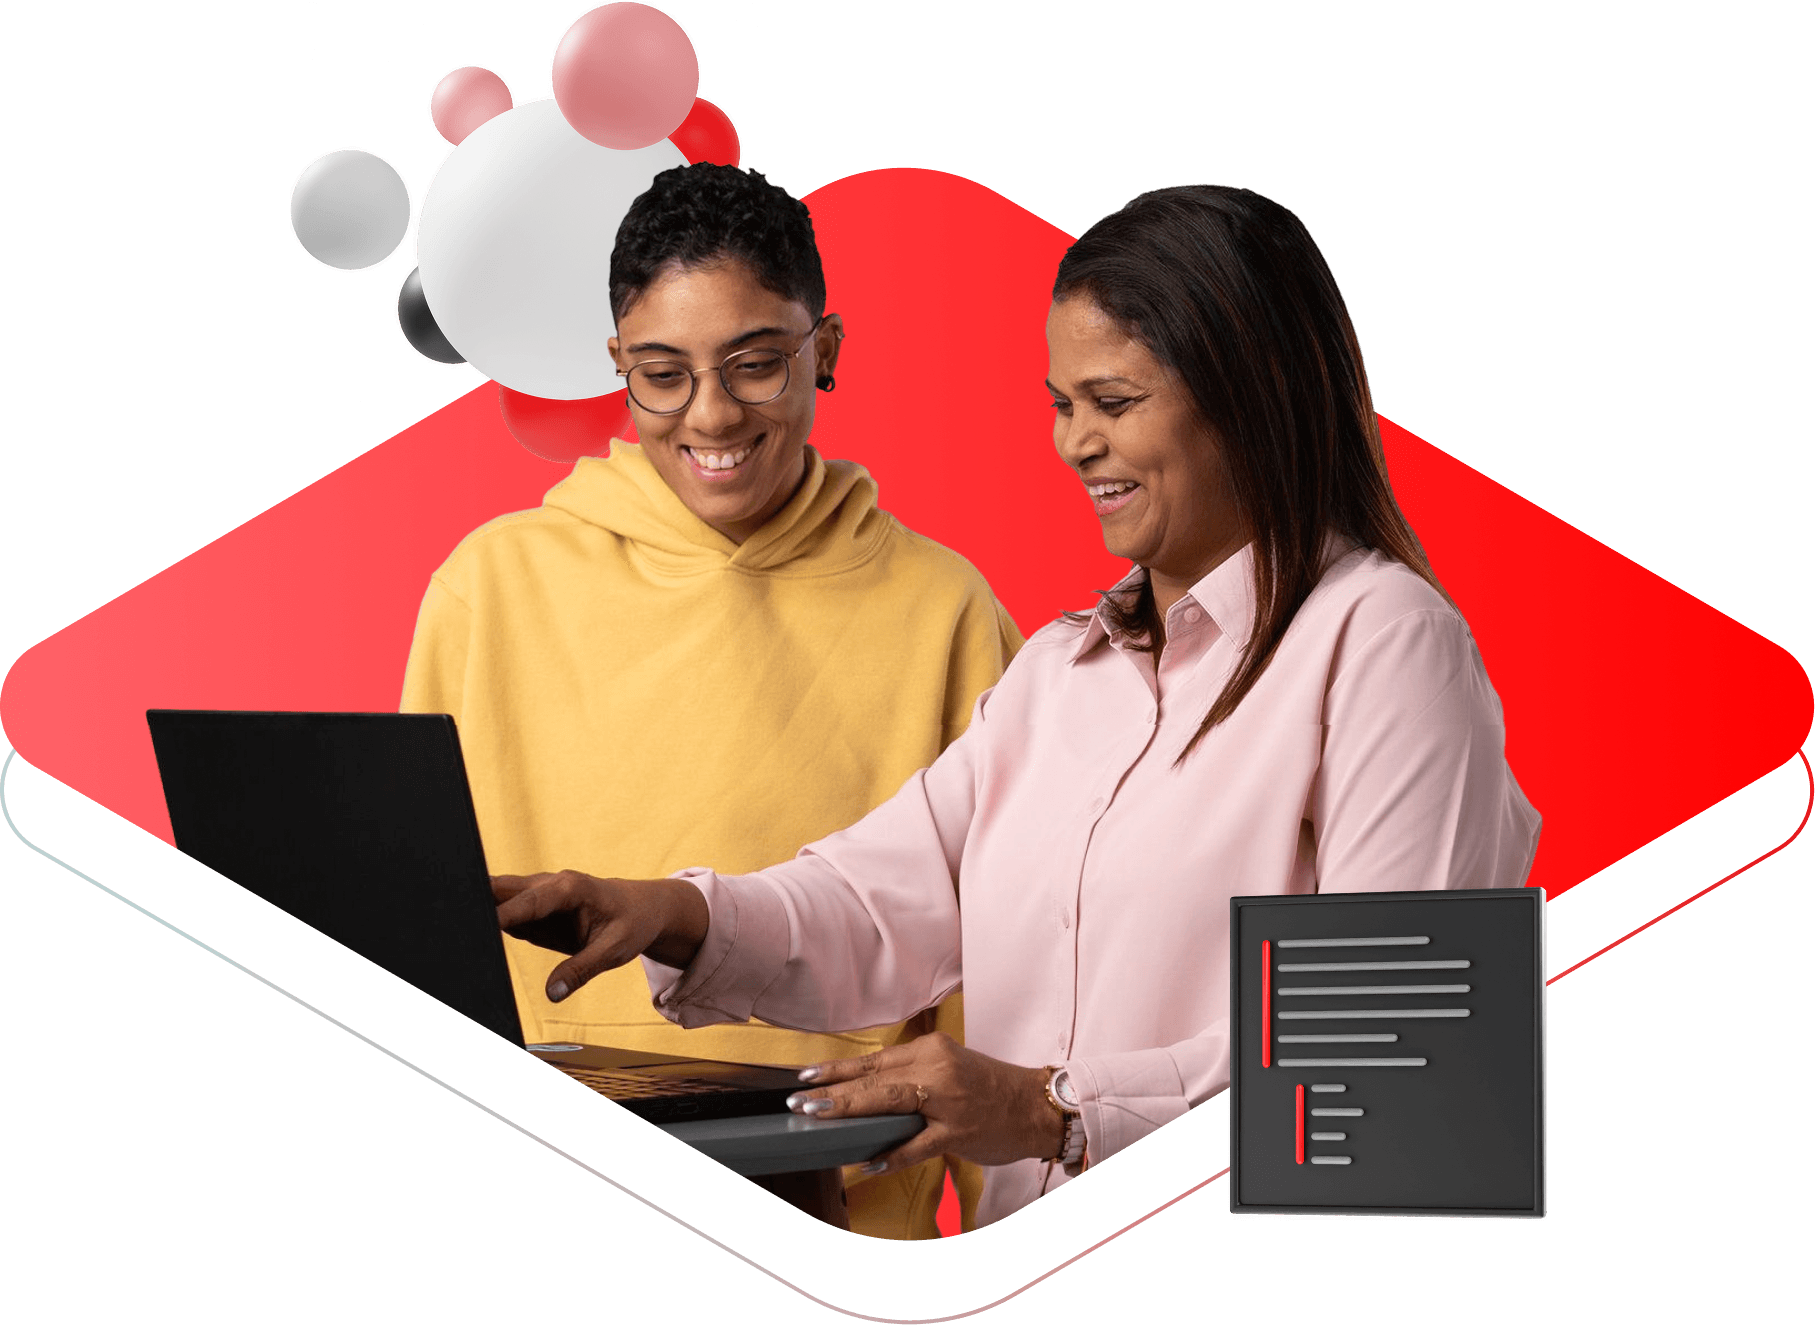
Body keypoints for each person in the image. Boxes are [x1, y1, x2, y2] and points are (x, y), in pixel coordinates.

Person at [489, 184, 1542, 1229]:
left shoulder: (1385, 644)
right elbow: (875, 902)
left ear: (1252, 391)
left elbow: (1390, 1071)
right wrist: (671, 913)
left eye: (1115, 402)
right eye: (1062, 403)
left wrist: (1051, 1109)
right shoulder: (1055, 676)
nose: (1074, 443)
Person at [401, 163, 1021, 1238]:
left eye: (756, 363)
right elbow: (408, 926)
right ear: (617, 370)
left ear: (825, 350)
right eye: (664, 373)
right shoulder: (489, 586)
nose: (712, 413)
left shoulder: (946, 611)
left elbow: (1001, 973)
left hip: (842, 1222)